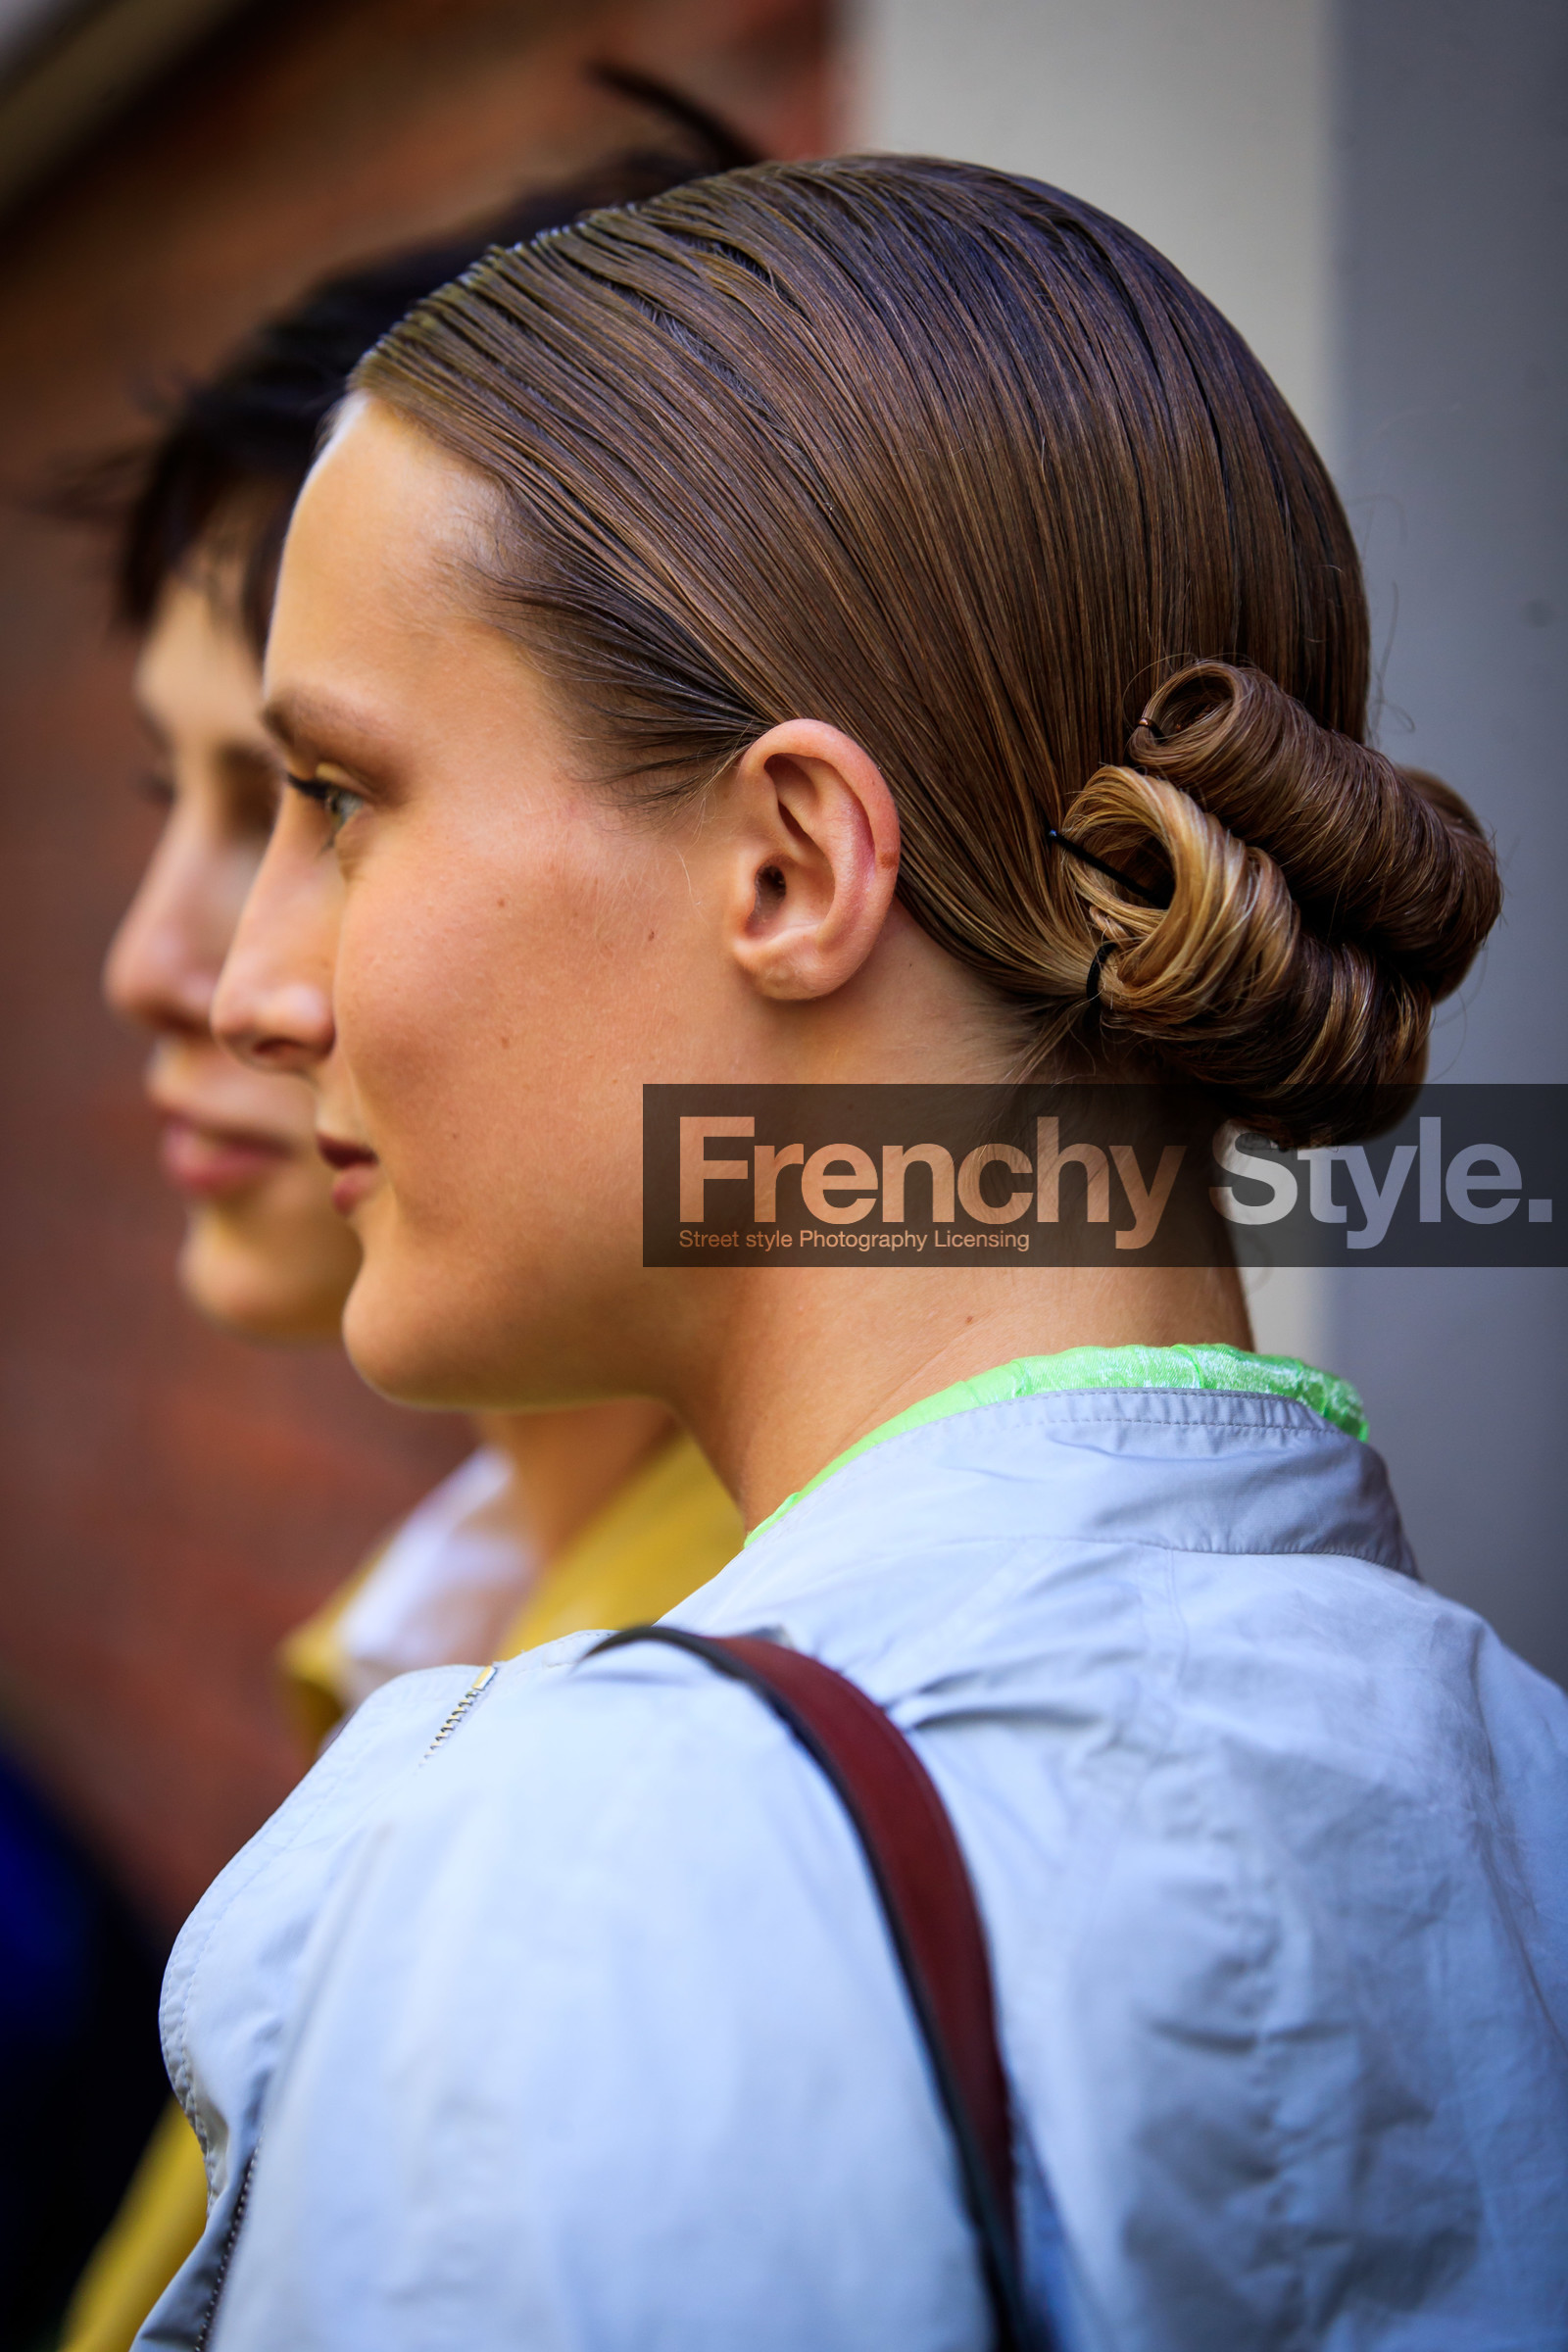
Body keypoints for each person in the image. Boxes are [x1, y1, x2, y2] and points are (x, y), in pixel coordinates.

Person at [168, 157, 1563, 2347]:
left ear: (791, 866)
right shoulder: (1509, 1788)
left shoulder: (609, 1876)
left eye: (340, 801)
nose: (255, 988)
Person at [58, 90, 750, 2352]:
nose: (184, 968)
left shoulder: (707, 1800)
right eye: (187, 798)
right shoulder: (454, 1642)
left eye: (317, 801)